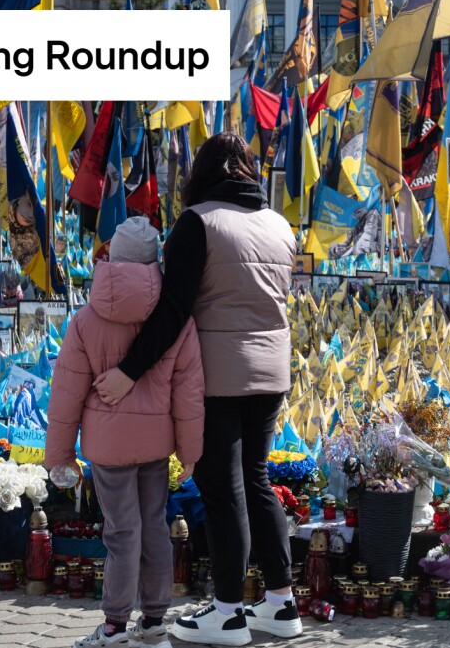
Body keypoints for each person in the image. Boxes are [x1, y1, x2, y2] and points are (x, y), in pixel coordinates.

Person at [93, 133, 301, 646]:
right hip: (272, 372)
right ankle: (281, 602)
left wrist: (129, 371)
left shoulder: (198, 223)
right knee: (255, 481)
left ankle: (228, 613)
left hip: (217, 375)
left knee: (223, 489)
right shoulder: (278, 224)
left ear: (201, 174)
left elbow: (173, 309)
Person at [47, 216, 205, 648]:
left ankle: (115, 624)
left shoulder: (85, 320)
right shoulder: (176, 321)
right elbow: (189, 394)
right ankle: (154, 618)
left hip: (108, 447)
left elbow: (66, 394)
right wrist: (190, 451)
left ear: (112, 258)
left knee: (120, 531)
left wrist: (59, 455)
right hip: (155, 444)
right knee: (154, 526)